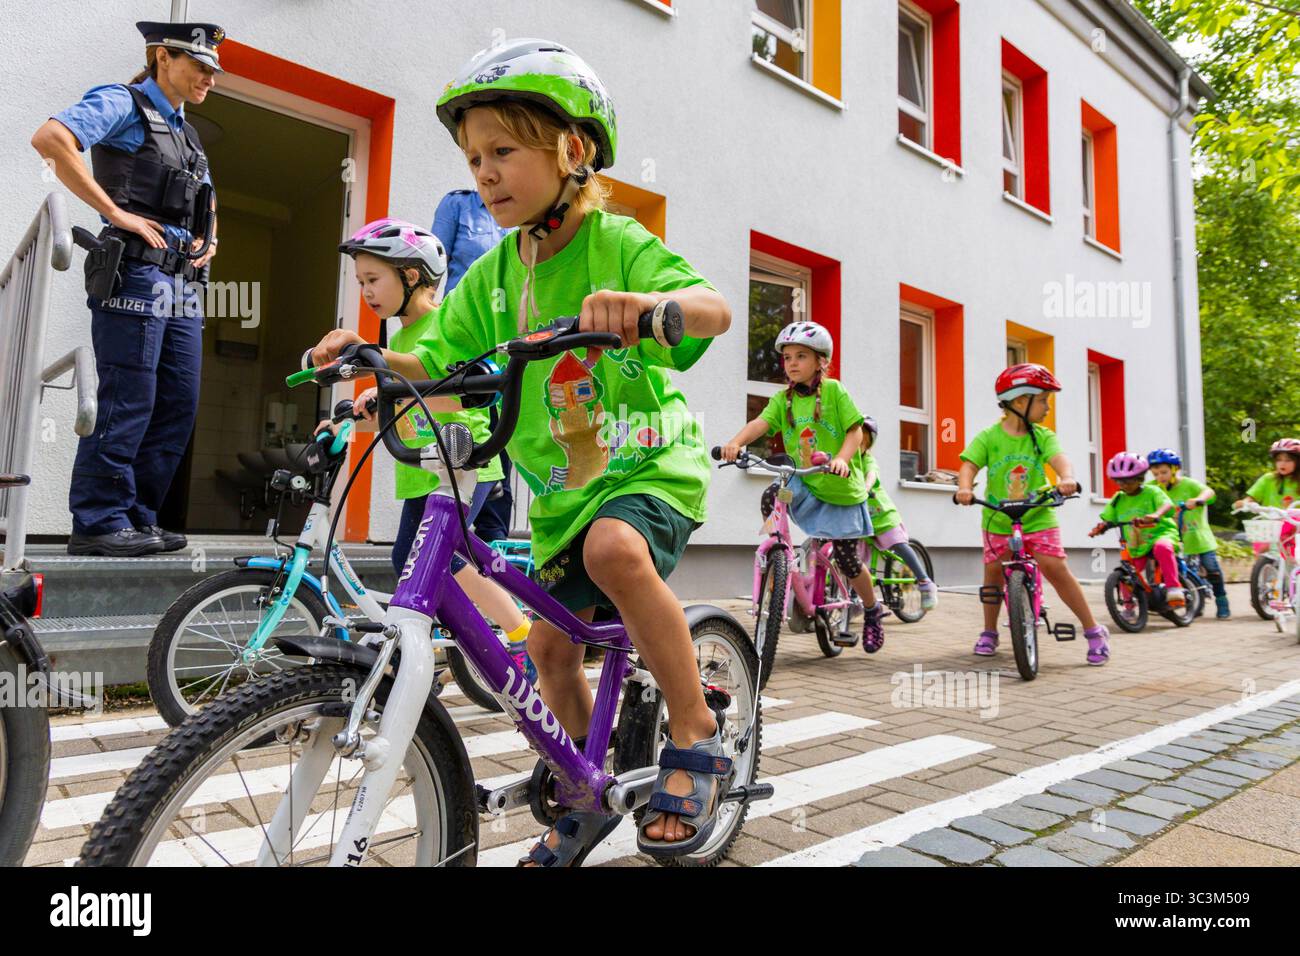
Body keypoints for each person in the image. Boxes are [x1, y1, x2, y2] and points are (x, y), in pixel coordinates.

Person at [308, 39, 732, 865]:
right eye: (474, 158)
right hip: (563, 494)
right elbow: (440, 360)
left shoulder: (616, 241)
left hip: (648, 464)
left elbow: (709, 307)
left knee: (616, 548)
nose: (485, 173)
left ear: (572, 150)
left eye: (504, 150)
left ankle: (695, 726)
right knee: (545, 649)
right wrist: (373, 362)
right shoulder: (497, 270)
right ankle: (586, 784)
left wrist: (648, 305)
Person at [31, 21, 224, 556]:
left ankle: (136, 518)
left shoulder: (188, 132)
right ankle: (97, 520)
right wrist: (113, 212)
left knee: (177, 402)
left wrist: (210, 240)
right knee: (130, 394)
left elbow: (200, 199)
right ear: (163, 57)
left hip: (182, 282)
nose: (209, 77)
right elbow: (52, 139)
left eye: (213, 69)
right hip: (136, 273)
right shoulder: (124, 103)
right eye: (199, 66)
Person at [339, 218, 532, 676]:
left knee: (436, 558)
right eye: (361, 281)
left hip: (462, 465)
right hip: (422, 467)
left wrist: (387, 375)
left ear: (410, 276)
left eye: (373, 279)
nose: (366, 292)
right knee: (409, 558)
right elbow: (408, 390)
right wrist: (375, 398)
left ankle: (519, 633)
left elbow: (447, 385)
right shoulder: (397, 336)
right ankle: (436, 645)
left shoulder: (447, 322)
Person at [722, 321, 888, 651]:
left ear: (820, 361)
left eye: (801, 356)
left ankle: (872, 609)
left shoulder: (834, 392)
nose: (792, 363)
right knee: (772, 494)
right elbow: (761, 424)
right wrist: (735, 443)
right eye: (787, 357)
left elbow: (855, 431)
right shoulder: (782, 401)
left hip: (840, 489)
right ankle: (779, 550)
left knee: (849, 561)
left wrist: (842, 458)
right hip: (804, 482)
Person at [955, 364, 1111, 665]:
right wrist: (965, 488)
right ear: (1019, 401)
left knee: (1055, 568)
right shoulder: (989, 437)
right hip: (998, 518)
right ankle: (989, 631)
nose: (1047, 407)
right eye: (1043, 400)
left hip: (1038, 515)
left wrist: (1066, 478)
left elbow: (1060, 460)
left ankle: (1094, 631)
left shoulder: (1043, 436)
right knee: (993, 573)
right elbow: (969, 465)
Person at [430, 188, 516, 546]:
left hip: (508, 346)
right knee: (466, 436)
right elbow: (433, 268)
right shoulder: (457, 205)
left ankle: (493, 543)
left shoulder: (522, 217)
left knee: (506, 441)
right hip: (465, 345)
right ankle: (456, 533)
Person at [856, 416, 938, 610]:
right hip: (859, 518)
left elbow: (871, 474)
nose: (859, 443)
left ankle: (925, 583)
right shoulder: (846, 460)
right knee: (854, 561)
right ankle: (855, 600)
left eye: (864, 440)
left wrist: (866, 487)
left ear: (868, 444)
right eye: (857, 438)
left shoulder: (868, 460)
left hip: (881, 515)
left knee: (899, 544)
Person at [1090, 453, 1184, 607]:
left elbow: (1167, 505)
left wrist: (1156, 514)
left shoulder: (1152, 492)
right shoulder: (1118, 498)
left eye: (1129, 481)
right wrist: (1102, 527)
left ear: (1140, 478)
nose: (1124, 485)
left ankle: (1174, 588)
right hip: (1137, 543)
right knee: (1127, 574)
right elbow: (1109, 519)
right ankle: (1128, 607)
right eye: (1119, 481)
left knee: (1162, 548)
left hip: (1160, 533)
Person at [1147, 448, 1227, 618]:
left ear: (1175, 469)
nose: (1160, 477)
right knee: (1176, 569)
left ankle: (1221, 600)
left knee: (1211, 568)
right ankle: (1192, 602)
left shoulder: (1188, 484)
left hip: (1196, 535)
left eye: (1164, 472)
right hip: (1171, 535)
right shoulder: (1153, 488)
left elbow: (1209, 492)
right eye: (1155, 474)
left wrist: (1199, 500)